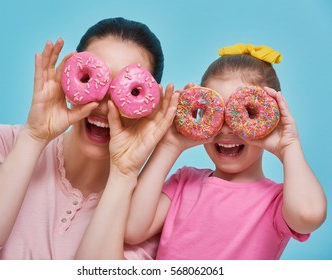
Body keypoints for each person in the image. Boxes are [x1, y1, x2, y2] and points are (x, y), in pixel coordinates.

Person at [0, 17, 179, 260]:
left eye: (129, 91)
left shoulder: (142, 216)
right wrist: (34, 137)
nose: (104, 105)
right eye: (91, 80)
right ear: (69, 78)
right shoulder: (4, 144)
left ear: (150, 107)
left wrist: (123, 176)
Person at [123, 43, 327, 259]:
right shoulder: (185, 182)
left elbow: (308, 215)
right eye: (216, 113)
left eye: (245, 112)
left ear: (271, 119)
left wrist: (289, 146)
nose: (227, 128)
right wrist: (169, 146)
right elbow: (131, 230)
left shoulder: (276, 202)